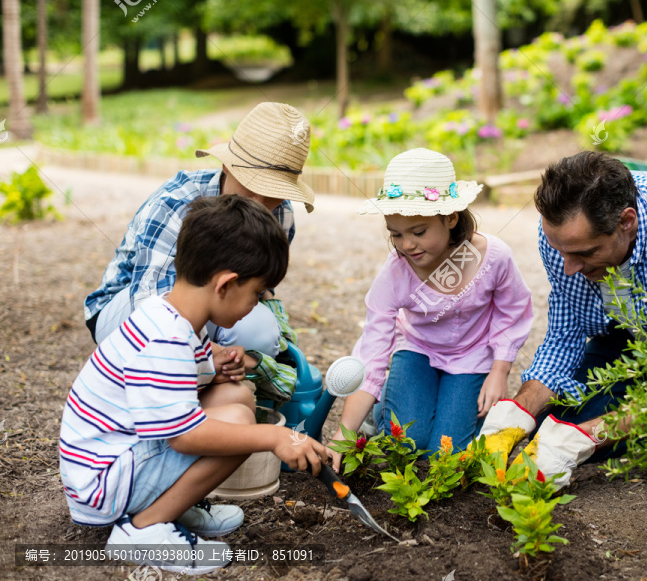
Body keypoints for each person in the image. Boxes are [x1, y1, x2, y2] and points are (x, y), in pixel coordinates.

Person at [59, 195, 328, 575]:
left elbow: (176, 381)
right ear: (226, 284)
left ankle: (175, 506)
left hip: (116, 459)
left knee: (235, 395)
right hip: (102, 484)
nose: (255, 306)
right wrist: (274, 438)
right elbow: (184, 437)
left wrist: (211, 366)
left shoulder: (166, 313)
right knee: (239, 426)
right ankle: (144, 529)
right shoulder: (165, 339)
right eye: (255, 294)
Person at [477, 151, 647, 487]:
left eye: (584, 254)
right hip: (630, 334)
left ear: (627, 222)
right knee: (552, 422)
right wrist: (517, 412)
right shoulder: (564, 235)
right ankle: (646, 412)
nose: (569, 267)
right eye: (561, 252)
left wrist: (591, 434)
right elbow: (565, 338)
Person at [83, 102, 315, 390]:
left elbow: (257, 287)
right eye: (250, 185)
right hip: (130, 307)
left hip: (211, 304)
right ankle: (183, 382)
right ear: (226, 166)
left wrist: (268, 347)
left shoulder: (282, 215)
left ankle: (207, 387)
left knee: (259, 331)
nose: (258, 203)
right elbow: (150, 304)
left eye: (273, 193)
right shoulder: (176, 203)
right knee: (167, 346)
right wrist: (211, 356)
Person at [329, 148, 533, 467]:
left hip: (472, 355)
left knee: (445, 454)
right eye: (395, 234)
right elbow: (373, 349)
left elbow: (513, 310)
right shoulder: (397, 271)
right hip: (418, 349)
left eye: (418, 232)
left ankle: (449, 409)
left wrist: (499, 370)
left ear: (450, 218)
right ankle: (379, 406)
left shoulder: (493, 256)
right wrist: (342, 436)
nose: (406, 244)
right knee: (407, 444)